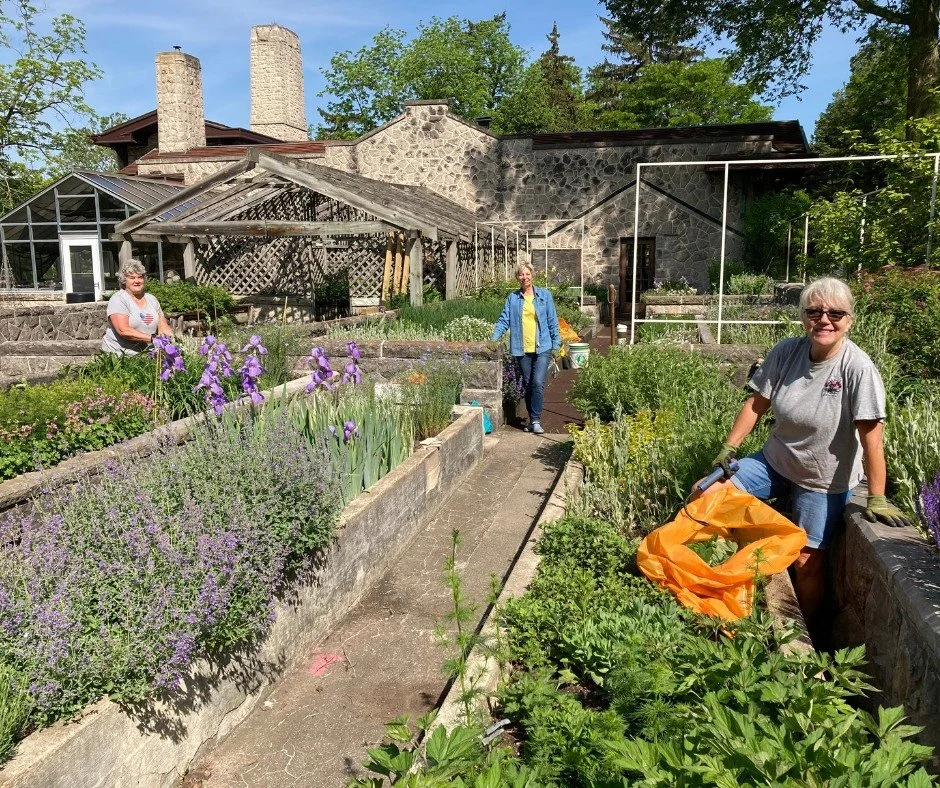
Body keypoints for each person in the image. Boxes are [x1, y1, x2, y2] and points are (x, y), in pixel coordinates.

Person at [697, 276, 911, 634]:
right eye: (814, 312)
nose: (824, 320)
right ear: (803, 318)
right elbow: (756, 404)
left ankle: (806, 635)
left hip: (822, 479)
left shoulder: (857, 369)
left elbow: (873, 440)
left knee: (806, 562)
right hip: (775, 462)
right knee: (706, 493)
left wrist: (877, 496)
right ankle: (712, 582)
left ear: (850, 320)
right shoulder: (787, 352)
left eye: (835, 314)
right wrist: (729, 447)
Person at [492, 263, 561, 435]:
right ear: (518, 277)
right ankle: (532, 420)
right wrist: (494, 339)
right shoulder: (513, 298)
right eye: (521, 275)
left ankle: (536, 420)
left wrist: (556, 344)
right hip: (521, 348)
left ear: (532, 275)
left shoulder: (544, 296)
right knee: (529, 385)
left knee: (537, 383)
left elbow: (552, 321)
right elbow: (504, 320)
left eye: (527, 274)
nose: (525, 277)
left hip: (543, 346)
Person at [101, 259, 173, 355]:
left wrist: (167, 339)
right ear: (124, 281)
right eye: (132, 278)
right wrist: (153, 339)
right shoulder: (118, 299)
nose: (137, 281)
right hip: (119, 356)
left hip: (145, 355)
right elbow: (123, 330)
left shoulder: (151, 299)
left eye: (140, 277)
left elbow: (162, 323)